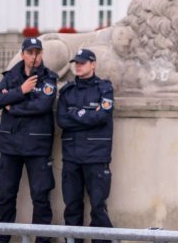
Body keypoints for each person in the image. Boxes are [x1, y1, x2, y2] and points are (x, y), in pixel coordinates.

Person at [0, 37, 58, 243]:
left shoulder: (48, 78)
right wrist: (21, 91)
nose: (34, 56)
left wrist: (12, 105)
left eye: (37, 52)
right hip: (11, 147)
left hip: (37, 147)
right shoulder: (11, 77)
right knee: (6, 195)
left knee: (41, 197)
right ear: (23, 54)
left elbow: (42, 107)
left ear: (42, 54)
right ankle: (0, 239)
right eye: (30, 52)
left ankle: (42, 240)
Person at [57, 48, 115, 242]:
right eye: (76, 63)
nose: (78, 66)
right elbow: (62, 121)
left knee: (98, 207)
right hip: (72, 157)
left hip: (96, 157)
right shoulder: (67, 91)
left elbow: (103, 115)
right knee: (72, 207)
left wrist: (76, 114)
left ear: (93, 64)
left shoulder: (104, 88)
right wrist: (87, 115)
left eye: (82, 63)